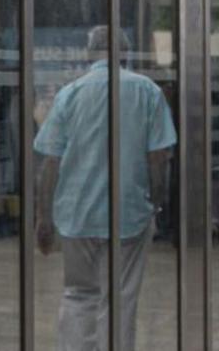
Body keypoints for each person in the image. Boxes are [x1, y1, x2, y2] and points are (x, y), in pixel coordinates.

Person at [34, 26, 176, 351]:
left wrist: (44, 218)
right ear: (125, 53)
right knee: (121, 298)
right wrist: (156, 203)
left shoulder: (70, 93)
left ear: (90, 54)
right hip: (129, 214)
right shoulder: (147, 92)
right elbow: (158, 157)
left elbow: (50, 162)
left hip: (76, 215)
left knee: (78, 294)